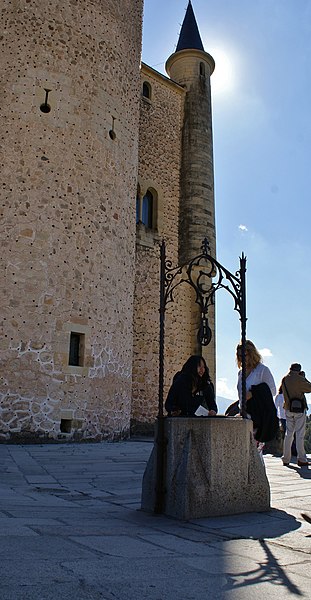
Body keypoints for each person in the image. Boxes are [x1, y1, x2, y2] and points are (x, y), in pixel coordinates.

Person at [236, 340, 277, 452]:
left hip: (258, 417)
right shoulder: (240, 373)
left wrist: (254, 393)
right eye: (239, 355)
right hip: (244, 414)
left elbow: (272, 391)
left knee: (254, 454)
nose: (241, 358)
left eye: (244, 355)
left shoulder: (262, 370)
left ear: (251, 353)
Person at [281, 363, 311, 467]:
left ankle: (286, 458)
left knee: (288, 434)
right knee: (299, 435)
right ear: (299, 370)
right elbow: (310, 388)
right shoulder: (299, 379)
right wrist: (304, 378)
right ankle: (301, 459)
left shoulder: (284, 379)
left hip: (288, 408)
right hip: (299, 410)